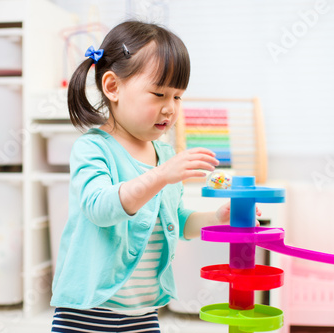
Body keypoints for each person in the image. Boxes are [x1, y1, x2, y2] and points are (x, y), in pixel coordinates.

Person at [50, 20, 251, 333]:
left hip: (144, 312)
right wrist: (161, 176)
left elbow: (178, 220)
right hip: (88, 311)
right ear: (113, 87)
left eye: (177, 97)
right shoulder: (92, 148)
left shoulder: (164, 155)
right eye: (158, 94)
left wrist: (217, 217)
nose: (170, 108)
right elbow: (99, 208)